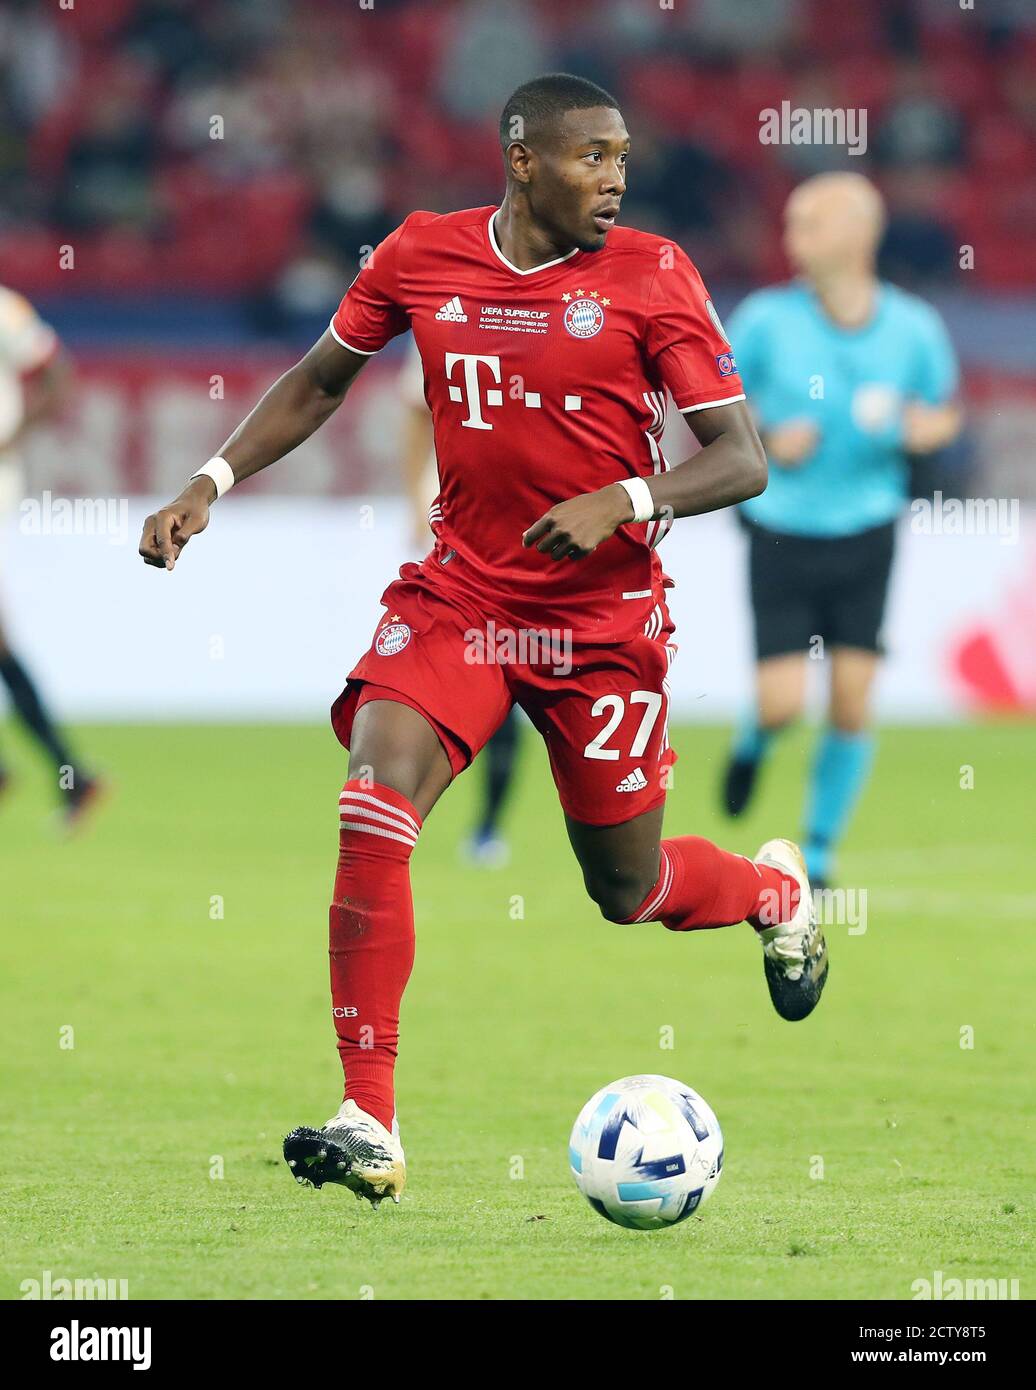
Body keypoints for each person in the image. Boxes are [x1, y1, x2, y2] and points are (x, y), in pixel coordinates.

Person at [139, 74, 829, 1210]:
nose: (615, 178)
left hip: (602, 624)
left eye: (621, 158)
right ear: (522, 160)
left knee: (626, 886)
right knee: (375, 796)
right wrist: (209, 483)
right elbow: (320, 382)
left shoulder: (652, 273)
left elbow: (741, 455)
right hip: (460, 598)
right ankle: (370, 1115)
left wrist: (629, 498)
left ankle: (769, 894)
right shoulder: (420, 253)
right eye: (591, 157)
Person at [721, 173, 962, 888]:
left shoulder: (914, 326)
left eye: (808, 225)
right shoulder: (766, 319)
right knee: (783, 703)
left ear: (857, 234)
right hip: (782, 530)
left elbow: (944, 408)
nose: (792, 240)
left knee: (853, 699)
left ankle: (819, 850)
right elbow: (714, 403)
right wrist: (765, 433)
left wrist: (927, 429)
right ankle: (753, 741)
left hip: (867, 530)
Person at [398, 334, 521, 867]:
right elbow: (412, 415)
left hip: (525, 541)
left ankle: (488, 825)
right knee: (422, 684)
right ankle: (397, 820)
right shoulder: (442, 312)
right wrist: (412, 502)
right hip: (450, 536)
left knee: (506, 689)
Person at [0, 285, 103, 827]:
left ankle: (67, 774)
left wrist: (10, 438)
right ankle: (72, 775)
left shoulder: (5, 311)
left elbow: (57, 373)